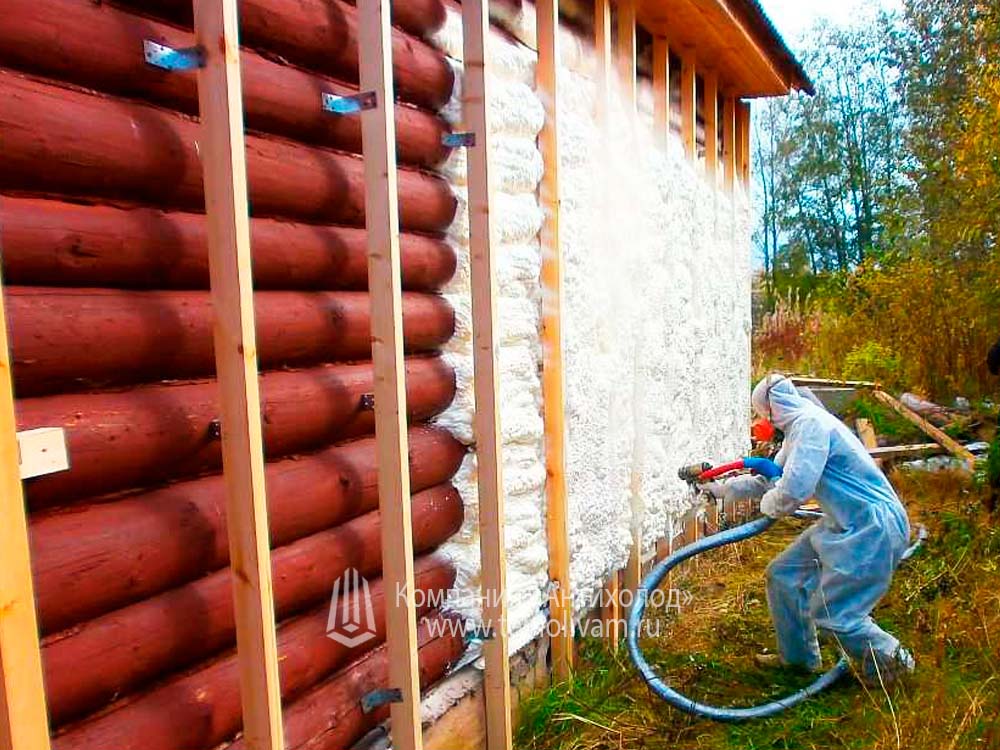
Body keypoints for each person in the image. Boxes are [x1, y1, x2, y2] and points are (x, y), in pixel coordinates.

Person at [703, 374, 915, 686]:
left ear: (772, 408)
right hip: (843, 523)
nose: (763, 422)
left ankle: (897, 668)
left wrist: (769, 507)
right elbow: (772, 479)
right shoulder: (798, 431)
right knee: (783, 576)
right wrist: (721, 489)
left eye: (763, 414)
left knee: (835, 616)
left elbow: (793, 489)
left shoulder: (811, 426)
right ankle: (798, 661)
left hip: (872, 528)